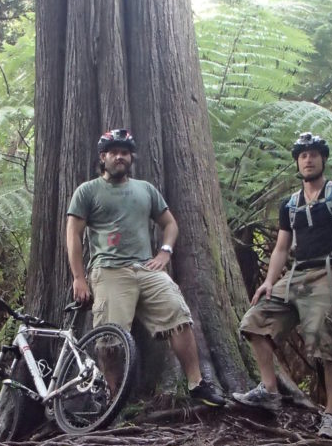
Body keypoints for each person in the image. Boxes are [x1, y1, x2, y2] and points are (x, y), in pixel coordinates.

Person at [233, 131, 332, 438]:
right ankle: (270, 389)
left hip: (331, 272)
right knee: (254, 321)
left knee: (325, 338)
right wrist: (269, 282)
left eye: (314, 154)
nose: (308, 159)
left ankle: (331, 414)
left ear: (323, 159)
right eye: (303, 155)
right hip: (297, 274)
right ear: (297, 163)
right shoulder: (290, 205)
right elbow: (280, 248)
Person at [66, 128, 225, 407]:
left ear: (131, 157)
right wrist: (79, 277)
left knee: (179, 315)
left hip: (146, 269)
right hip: (109, 270)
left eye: (125, 152)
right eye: (113, 152)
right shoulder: (88, 191)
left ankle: (197, 384)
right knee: (110, 337)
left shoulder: (146, 189)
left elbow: (170, 224)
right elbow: (73, 235)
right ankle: (113, 400)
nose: (119, 157)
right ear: (103, 157)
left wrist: (165, 252)